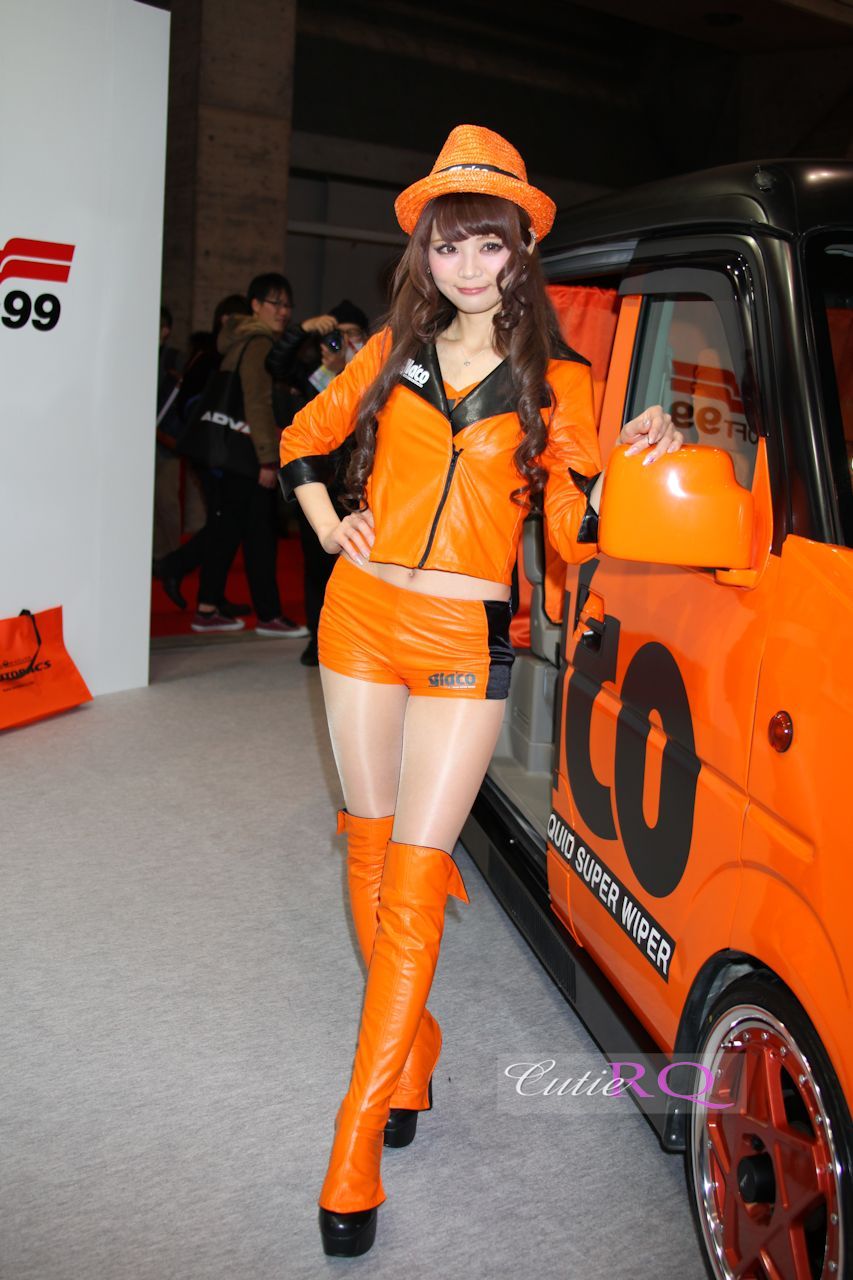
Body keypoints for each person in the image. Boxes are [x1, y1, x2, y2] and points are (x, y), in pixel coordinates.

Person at [279, 125, 684, 1258]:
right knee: (369, 851)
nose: (467, 265)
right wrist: (329, 524)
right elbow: (303, 442)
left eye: (488, 244)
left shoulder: (561, 381)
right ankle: (412, 1053)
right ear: (425, 253)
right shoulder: (389, 352)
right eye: (448, 244)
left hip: (463, 631)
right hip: (359, 617)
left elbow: (573, 529)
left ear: (519, 253)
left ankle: (355, 1138)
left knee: (415, 878)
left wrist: (630, 460)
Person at [191, 272, 308, 637]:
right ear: (255, 305)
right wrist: (267, 458)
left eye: (288, 304)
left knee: (228, 530)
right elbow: (256, 403)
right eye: (276, 303)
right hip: (249, 454)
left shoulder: (238, 338)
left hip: (233, 451)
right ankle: (269, 615)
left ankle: (208, 607)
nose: (283, 311)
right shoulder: (258, 343)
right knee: (259, 537)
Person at [268, 299, 371, 665]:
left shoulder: (377, 369)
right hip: (318, 485)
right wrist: (303, 330)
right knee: (316, 566)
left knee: (360, 566)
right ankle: (318, 639)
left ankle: (357, 642)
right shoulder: (315, 374)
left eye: (352, 335)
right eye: (335, 337)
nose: (343, 343)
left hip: (360, 484)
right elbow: (276, 365)